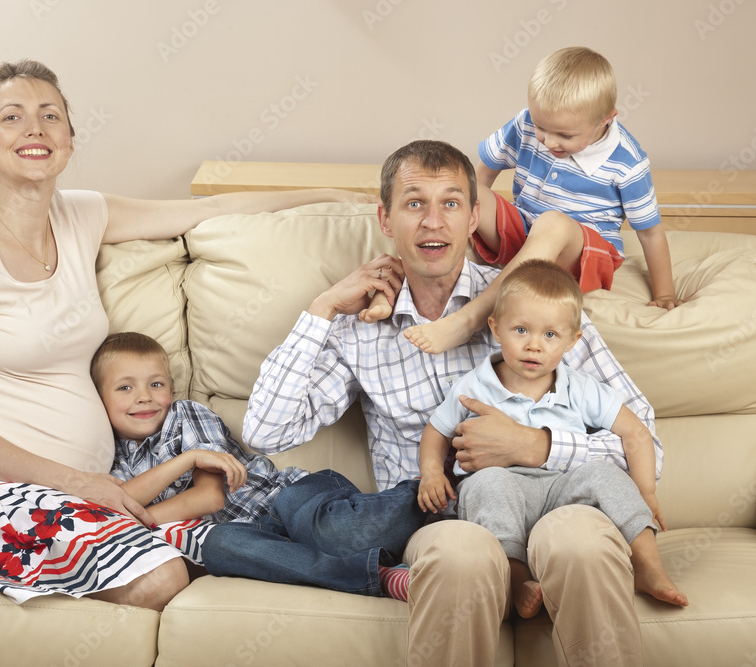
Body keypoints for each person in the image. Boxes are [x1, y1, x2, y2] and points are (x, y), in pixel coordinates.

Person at [0, 59, 373, 610]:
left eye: (50, 116)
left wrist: (335, 197)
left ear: (69, 138)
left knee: (210, 542)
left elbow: (208, 210)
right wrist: (78, 481)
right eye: (12, 117)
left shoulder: (81, 215)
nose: (34, 130)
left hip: (77, 492)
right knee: (162, 577)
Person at [241, 139, 661, 665]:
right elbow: (265, 432)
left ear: (474, 217)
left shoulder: (531, 304)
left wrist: (537, 447)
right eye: (415, 203)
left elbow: (645, 435)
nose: (433, 222)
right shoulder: (360, 327)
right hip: (446, 521)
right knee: (461, 555)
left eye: (451, 203)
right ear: (386, 219)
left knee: (580, 541)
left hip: (561, 502)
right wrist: (321, 310)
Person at [367, 46, 682, 355]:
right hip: (527, 231)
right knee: (468, 195)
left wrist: (665, 292)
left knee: (553, 224)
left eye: (565, 136)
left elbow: (650, 232)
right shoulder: (526, 124)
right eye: (541, 128)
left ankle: (468, 319)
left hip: (582, 253)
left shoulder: (627, 161)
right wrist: (464, 212)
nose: (548, 141)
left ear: (605, 120)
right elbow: (481, 175)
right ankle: (395, 284)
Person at [418, 259, 687, 620]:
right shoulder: (474, 386)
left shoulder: (580, 387)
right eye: (520, 330)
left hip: (562, 491)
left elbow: (634, 432)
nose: (534, 346)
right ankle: (517, 580)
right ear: (496, 329)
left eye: (550, 335)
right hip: (504, 488)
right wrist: (432, 472)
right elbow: (436, 430)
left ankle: (648, 566)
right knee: (487, 484)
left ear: (573, 340)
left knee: (605, 474)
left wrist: (646, 491)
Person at [93, 331, 419, 598]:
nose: (144, 396)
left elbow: (210, 498)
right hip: (253, 533)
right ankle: (378, 574)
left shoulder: (184, 416)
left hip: (289, 500)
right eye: (125, 387)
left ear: (171, 389)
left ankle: (431, 495)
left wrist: (139, 520)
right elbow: (123, 503)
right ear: (99, 399)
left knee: (331, 531)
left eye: (155, 384)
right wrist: (187, 461)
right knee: (219, 547)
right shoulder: (117, 460)